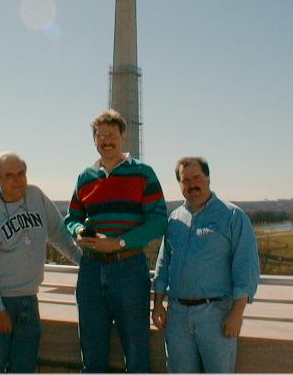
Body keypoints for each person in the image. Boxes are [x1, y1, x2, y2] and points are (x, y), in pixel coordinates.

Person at [65, 109, 168, 373]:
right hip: (90, 270)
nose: (106, 140)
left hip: (129, 268)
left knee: (135, 350)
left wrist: (120, 243)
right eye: (100, 136)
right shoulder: (85, 177)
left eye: (111, 135)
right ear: (94, 140)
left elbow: (158, 220)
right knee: (92, 349)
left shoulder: (143, 173)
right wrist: (78, 231)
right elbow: (72, 217)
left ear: (123, 136)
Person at [0, 151, 82, 373]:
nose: (17, 179)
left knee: (24, 367)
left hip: (29, 300)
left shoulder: (36, 196)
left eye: (21, 173)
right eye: (9, 175)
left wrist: (83, 261)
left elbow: (59, 233)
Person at [152, 157, 260, 373]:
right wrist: (157, 305)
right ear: (180, 184)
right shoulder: (175, 219)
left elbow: (246, 269)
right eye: (185, 180)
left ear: (208, 178)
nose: (192, 184)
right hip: (178, 316)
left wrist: (236, 314)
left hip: (217, 315)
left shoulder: (232, 216)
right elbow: (163, 265)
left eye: (197, 178)